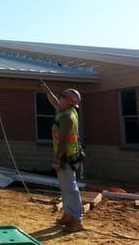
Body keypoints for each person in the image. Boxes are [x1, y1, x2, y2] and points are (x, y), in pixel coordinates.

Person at [39, 80, 84, 232]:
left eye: (63, 97)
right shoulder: (65, 111)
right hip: (68, 154)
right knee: (65, 187)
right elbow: (55, 102)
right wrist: (46, 89)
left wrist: (57, 158)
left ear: (70, 101)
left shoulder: (66, 117)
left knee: (70, 187)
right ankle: (67, 215)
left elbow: (64, 139)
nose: (60, 98)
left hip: (67, 156)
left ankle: (77, 220)